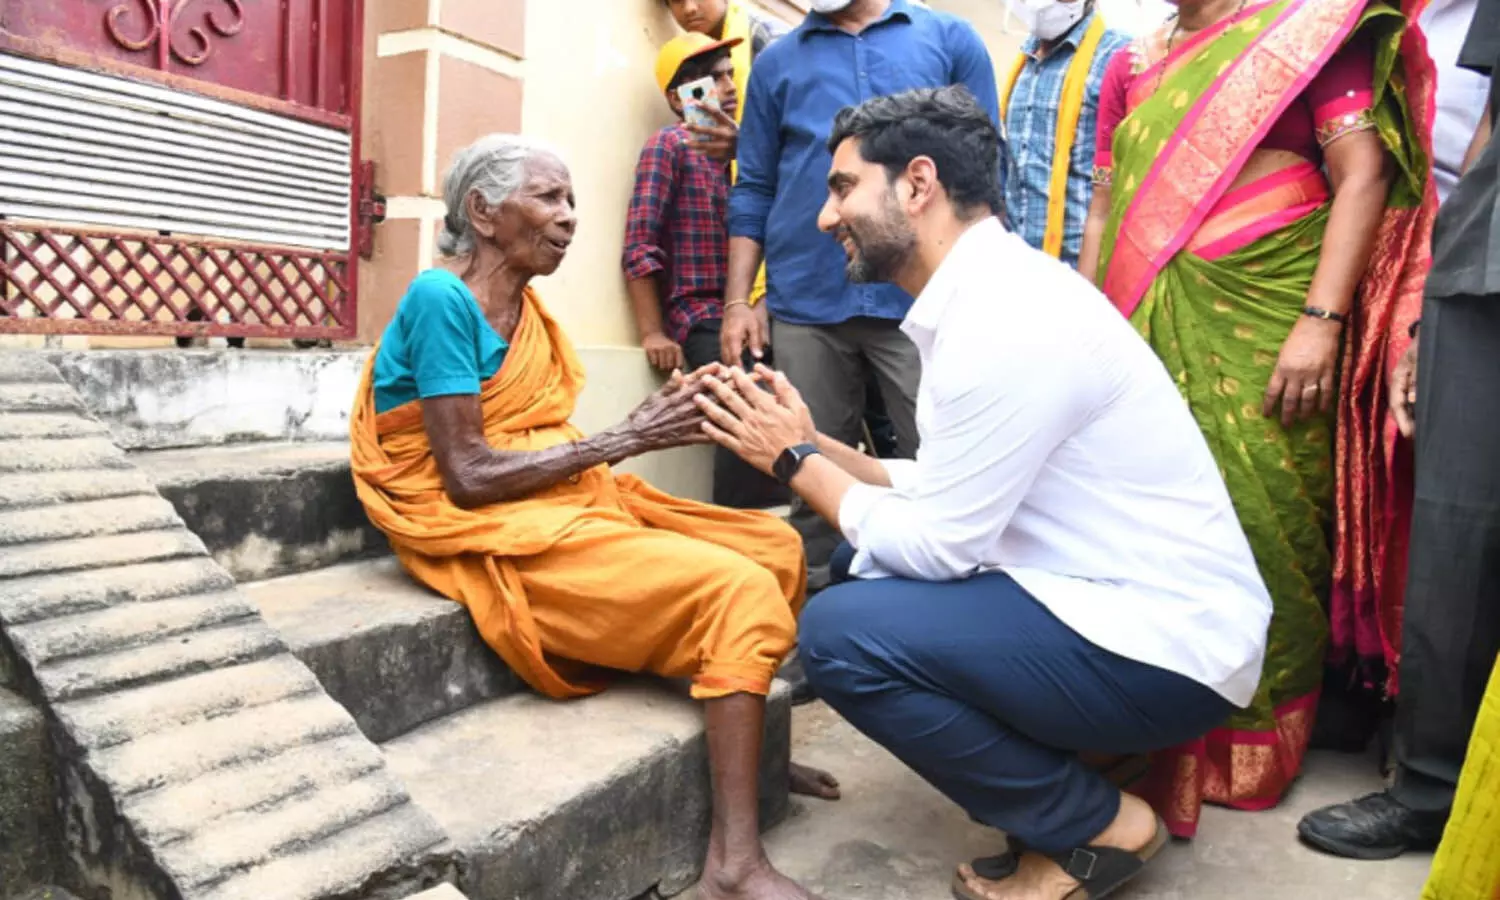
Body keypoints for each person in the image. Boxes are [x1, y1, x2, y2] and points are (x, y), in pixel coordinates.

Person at [694, 85, 1271, 900]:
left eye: (843, 187)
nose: (827, 219)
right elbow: (951, 488)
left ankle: (1091, 824)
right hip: (1134, 612)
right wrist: (816, 445)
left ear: (918, 183)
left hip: (1167, 649)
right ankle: (1088, 753)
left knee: (843, 634)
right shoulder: (992, 294)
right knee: (866, 557)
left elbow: (940, 544)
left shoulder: (1007, 319)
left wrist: (793, 463)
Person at [350, 134, 833, 900]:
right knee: (735, 589)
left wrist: (632, 436)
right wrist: (628, 438)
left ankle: (755, 748)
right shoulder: (441, 300)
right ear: (481, 211)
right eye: (549, 197)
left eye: (571, 200)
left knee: (772, 542)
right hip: (485, 524)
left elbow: (537, 437)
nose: (570, 217)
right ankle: (733, 865)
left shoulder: (529, 310)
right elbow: (470, 475)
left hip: (559, 498)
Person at [1078, 0, 1437, 837]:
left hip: (1271, 323)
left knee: (1268, 524)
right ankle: (1158, 725)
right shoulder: (1129, 65)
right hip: (1143, 325)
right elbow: (1105, 208)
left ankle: (1256, 739)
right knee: (1153, 529)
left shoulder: (1304, 35)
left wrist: (1323, 321)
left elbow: (1364, 176)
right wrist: (1091, 329)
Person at [1299, 0, 1498, 862]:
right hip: (1486, 280)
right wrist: (1435, 303)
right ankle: (1430, 789)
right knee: (1455, 548)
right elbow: (1487, 132)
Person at [723, 0, 999, 590]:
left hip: (921, 298)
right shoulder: (776, 64)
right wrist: (738, 300)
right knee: (806, 465)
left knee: (948, 462)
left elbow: (984, 170)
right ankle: (822, 605)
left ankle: (953, 608)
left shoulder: (949, 39)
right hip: (808, 299)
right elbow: (753, 185)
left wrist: (987, 285)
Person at [623, 34, 787, 509]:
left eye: (729, 74)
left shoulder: (752, 154)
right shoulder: (670, 146)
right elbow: (639, 242)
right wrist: (653, 331)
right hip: (702, 312)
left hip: (766, 308)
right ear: (678, 99)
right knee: (745, 383)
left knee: (806, 378)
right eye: (710, 79)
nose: (726, 86)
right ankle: (749, 518)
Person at [1000, 0, 1131, 267]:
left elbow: (1126, 180)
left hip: (1076, 269)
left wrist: (1087, 288)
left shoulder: (1118, 57)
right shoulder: (1025, 59)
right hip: (1014, 264)